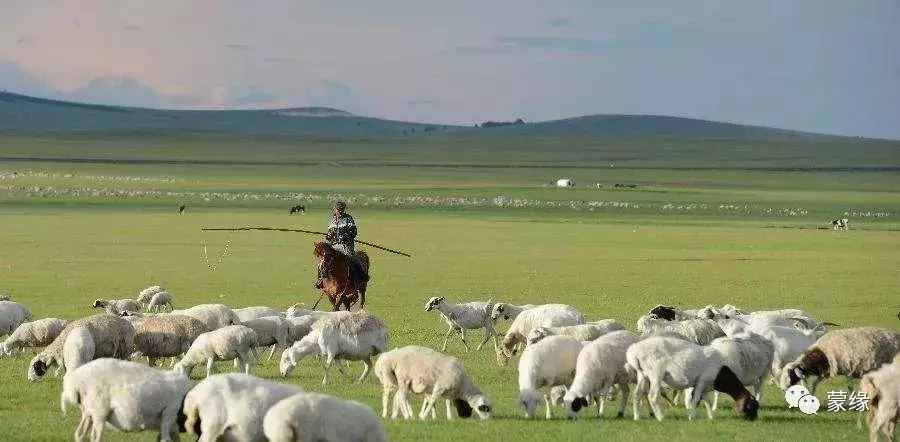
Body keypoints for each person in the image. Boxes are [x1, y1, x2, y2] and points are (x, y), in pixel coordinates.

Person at [315, 201, 369, 289]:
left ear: (343, 210)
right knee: (322, 261)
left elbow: (353, 232)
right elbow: (329, 234)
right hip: (334, 246)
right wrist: (328, 237)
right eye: (338, 209)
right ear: (335, 210)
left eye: (341, 209)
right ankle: (320, 279)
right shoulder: (332, 221)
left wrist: (344, 237)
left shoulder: (348, 219)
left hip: (346, 246)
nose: (339, 211)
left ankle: (362, 276)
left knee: (352, 258)